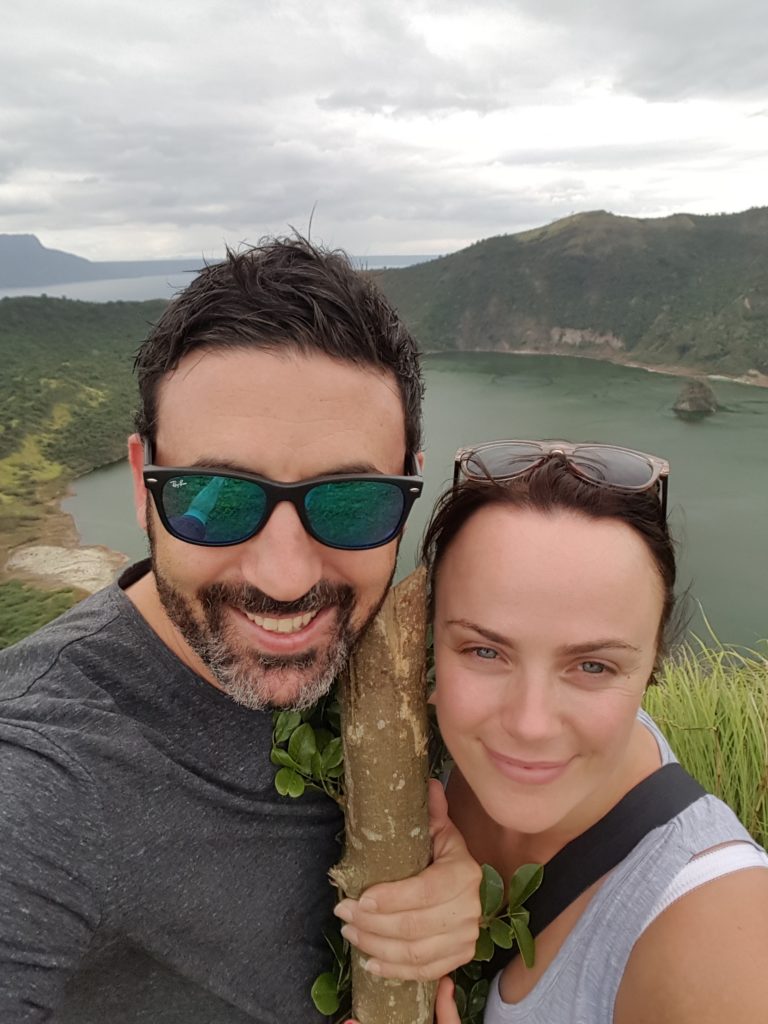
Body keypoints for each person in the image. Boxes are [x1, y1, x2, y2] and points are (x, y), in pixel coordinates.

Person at [0, 239, 481, 1023]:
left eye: (350, 503)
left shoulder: (426, 663)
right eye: (216, 498)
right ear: (141, 483)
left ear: (406, 486)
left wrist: (469, 876)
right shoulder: (42, 773)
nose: (285, 577)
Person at [341, 439, 768, 1024]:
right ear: (428, 644)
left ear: (652, 665)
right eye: (485, 651)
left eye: (593, 667)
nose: (530, 724)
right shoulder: (433, 744)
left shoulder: (719, 936)